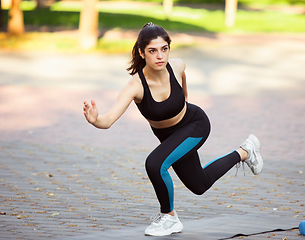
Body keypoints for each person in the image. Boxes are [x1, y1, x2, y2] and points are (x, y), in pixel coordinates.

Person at [83, 22, 264, 237]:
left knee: (155, 164)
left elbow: (183, 87)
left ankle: (169, 217)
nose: (160, 56)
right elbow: (108, 120)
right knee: (199, 184)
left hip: (195, 125)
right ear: (142, 53)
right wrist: (95, 120)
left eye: (164, 49)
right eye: (152, 51)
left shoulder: (176, 66)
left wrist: (183, 100)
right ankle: (245, 151)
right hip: (170, 136)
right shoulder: (136, 86)